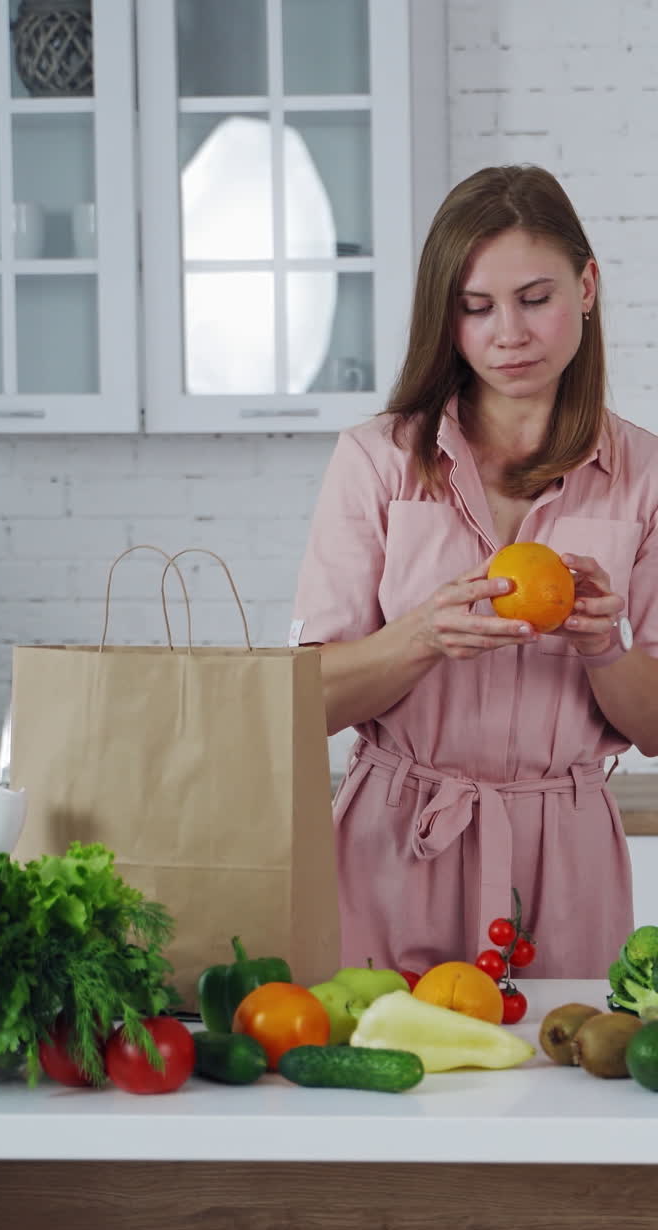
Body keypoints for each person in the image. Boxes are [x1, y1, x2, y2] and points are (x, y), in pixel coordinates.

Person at [290, 164, 658, 980]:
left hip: (566, 861)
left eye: (535, 298)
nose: (509, 334)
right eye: (475, 307)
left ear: (588, 286)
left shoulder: (647, 477)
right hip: (392, 848)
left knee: (563, 1089)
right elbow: (302, 703)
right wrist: (420, 636)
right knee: (383, 1077)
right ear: (446, 316)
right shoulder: (375, 462)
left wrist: (605, 646)